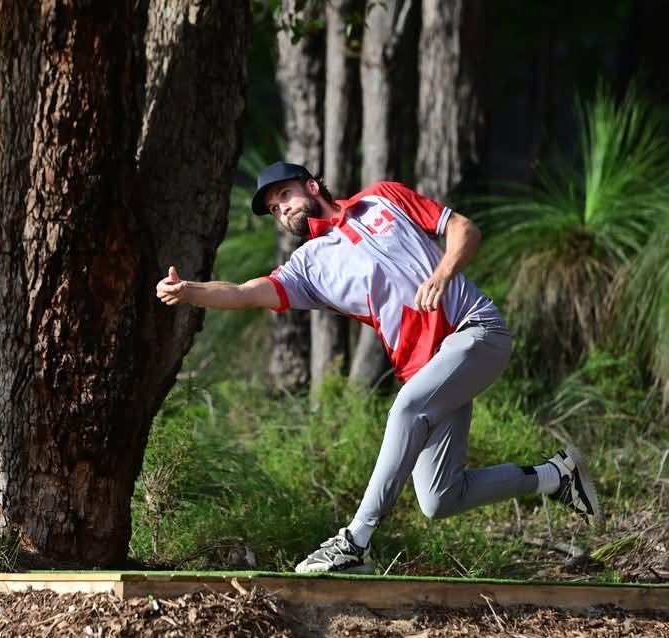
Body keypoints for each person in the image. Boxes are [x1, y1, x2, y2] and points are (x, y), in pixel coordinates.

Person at [155, 161, 600, 574]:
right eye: (273, 208)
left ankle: (356, 541)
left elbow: (465, 229)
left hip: (475, 330)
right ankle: (555, 476)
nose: (282, 209)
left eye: (285, 195)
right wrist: (191, 290)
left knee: (405, 409)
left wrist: (442, 275)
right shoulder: (308, 266)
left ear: (312, 186)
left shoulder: (382, 199)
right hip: (433, 370)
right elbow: (243, 291)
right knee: (440, 498)